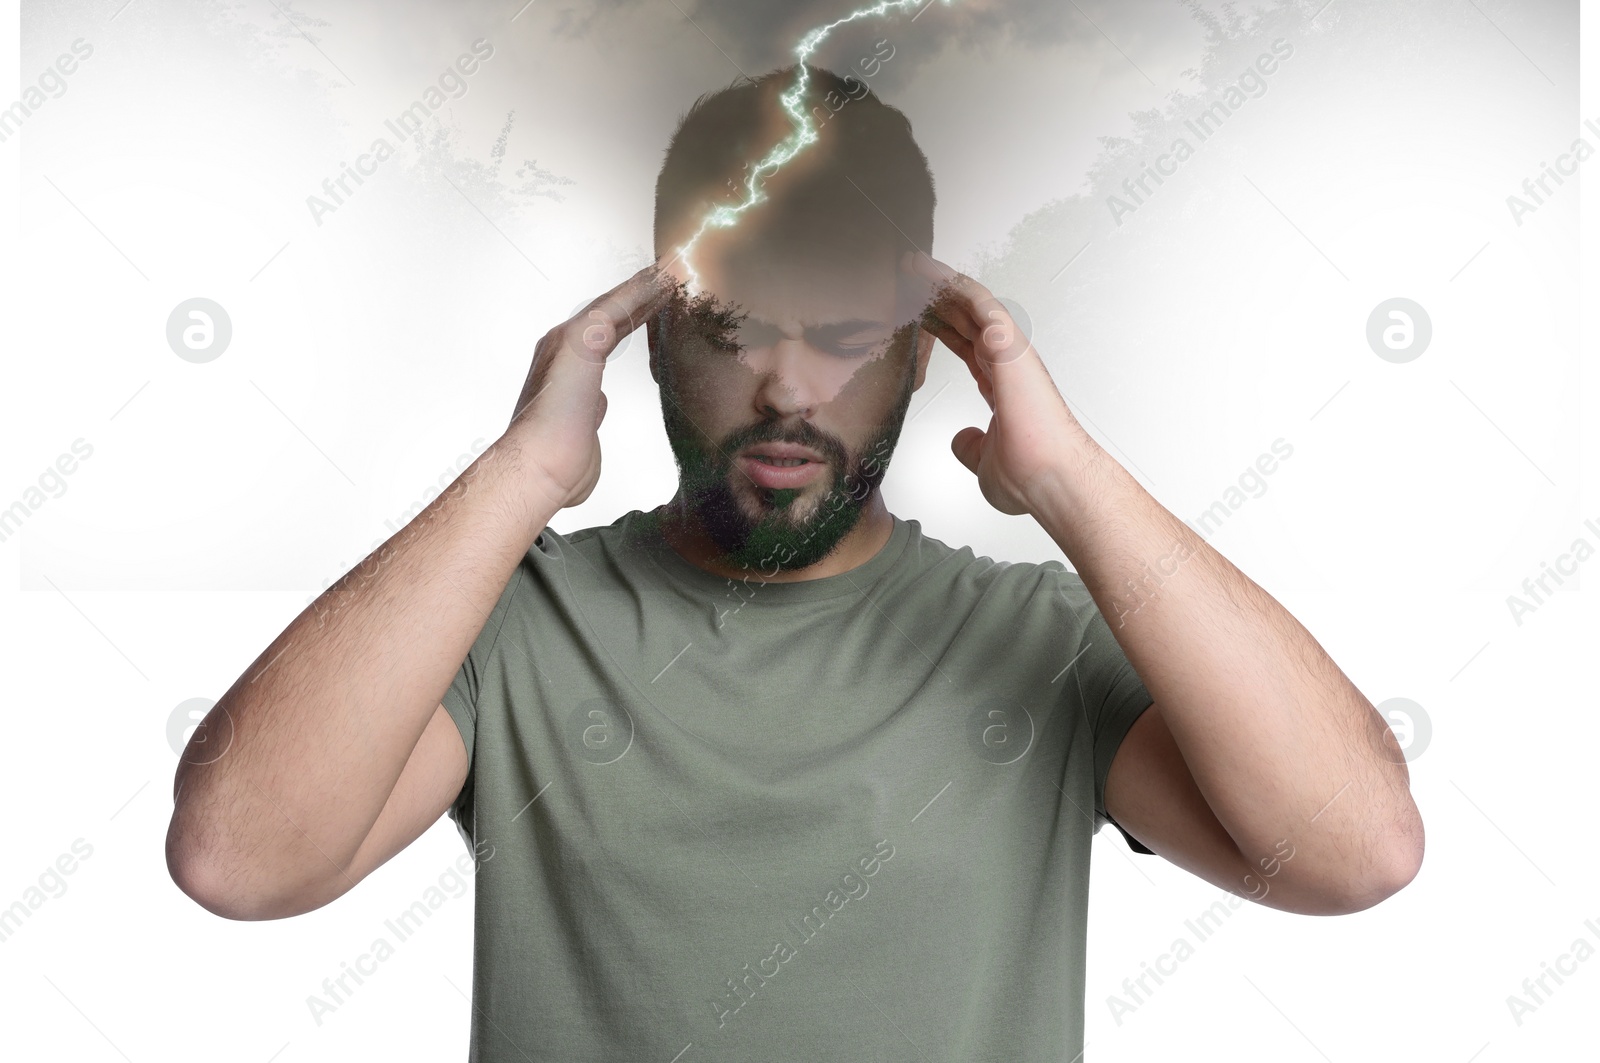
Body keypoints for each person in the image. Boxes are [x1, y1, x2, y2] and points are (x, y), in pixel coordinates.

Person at [166, 63, 1424, 1061]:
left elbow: (1356, 851)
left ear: (926, 354)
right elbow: (239, 860)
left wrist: (1067, 479)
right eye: (733, 330)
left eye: (846, 334)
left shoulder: (1038, 641)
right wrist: (521, 475)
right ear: (651, 342)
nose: (786, 387)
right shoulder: (516, 624)